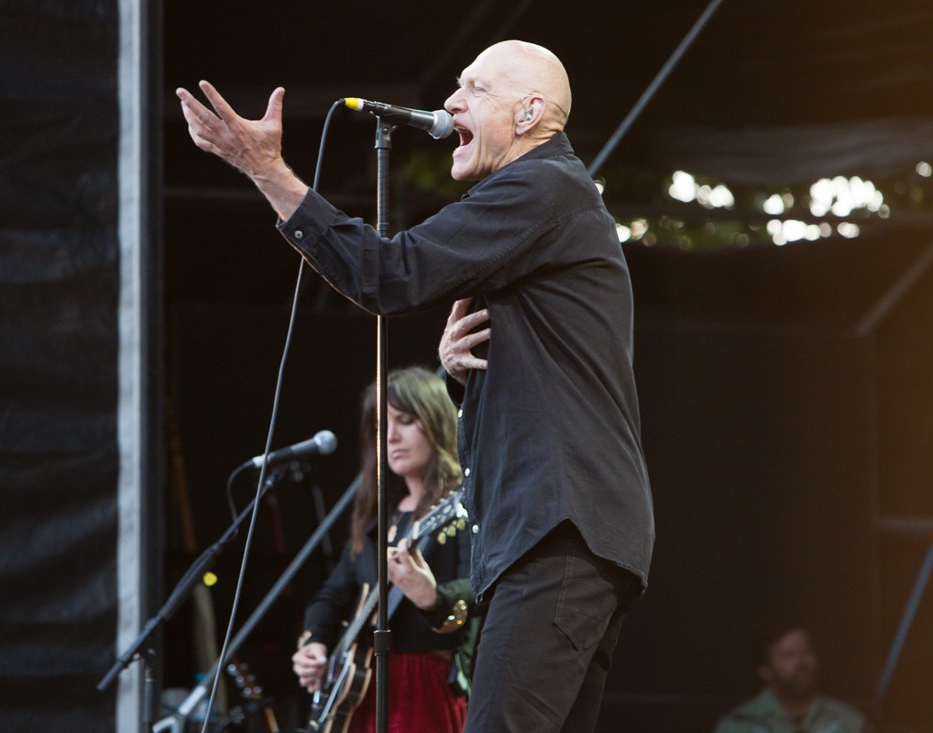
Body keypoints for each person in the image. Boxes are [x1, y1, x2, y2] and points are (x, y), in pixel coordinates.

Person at [177, 38, 655, 733]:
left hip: (558, 528)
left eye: (476, 89)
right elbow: (558, 370)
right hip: (572, 531)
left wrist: (267, 170)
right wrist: (460, 374)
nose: (451, 102)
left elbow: (390, 274)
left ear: (529, 114)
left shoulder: (542, 185)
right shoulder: (548, 206)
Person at [291, 366, 476, 733]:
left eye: (405, 421)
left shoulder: (461, 505)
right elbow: (333, 593)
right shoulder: (379, 517)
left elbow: (480, 588)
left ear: (437, 422)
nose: (390, 436)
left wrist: (433, 599)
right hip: (361, 688)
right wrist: (316, 643)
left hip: (423, 684)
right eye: (380, 426)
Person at [713, 624, 865, 733]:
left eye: (807, 652)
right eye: (789, 655)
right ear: (765, 671)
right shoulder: (739, 725)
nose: (802, 662)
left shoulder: (848, 721)